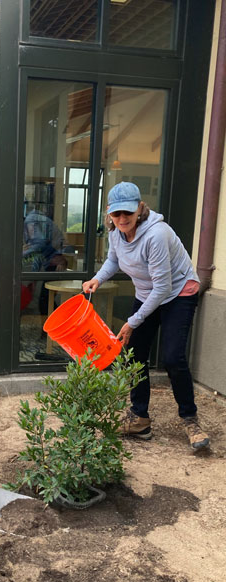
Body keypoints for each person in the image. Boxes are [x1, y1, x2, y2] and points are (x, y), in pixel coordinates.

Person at [82, 181, 209, 452]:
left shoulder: (156, 235)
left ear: (140, 208)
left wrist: (132, 321)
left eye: (128, 212)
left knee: (173, 357)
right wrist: (97, 279)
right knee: (134, 355)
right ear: (109, 213)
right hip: (148, 293)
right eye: (116, 214)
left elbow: (163, 288)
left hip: (178, 293)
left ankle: (190, 419)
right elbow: (113, 260)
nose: (122, 219)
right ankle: (139, 417)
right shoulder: (116, 233)